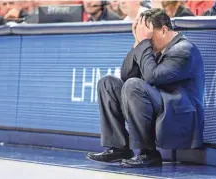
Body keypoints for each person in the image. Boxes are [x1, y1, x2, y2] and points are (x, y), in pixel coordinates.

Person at [86, 8, 205, 168]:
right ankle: (119, 147)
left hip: (179, 116)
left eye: (149, 36)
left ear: (164, 30)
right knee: (108, 84)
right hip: (161, 104)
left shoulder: (184, 50)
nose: (147, 41)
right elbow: (126, 74)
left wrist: (143, 44)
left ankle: (148, 153)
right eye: (144, 37)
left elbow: (152, 76)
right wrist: (137, 44)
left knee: (133, 86)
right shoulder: (151, 48)